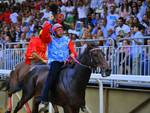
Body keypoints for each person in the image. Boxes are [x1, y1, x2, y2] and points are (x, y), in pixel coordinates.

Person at [41, 23, 77, 103]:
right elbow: (43, 36)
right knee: (52, 76)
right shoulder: (50, 39)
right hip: (55, 62)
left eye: (61, 30)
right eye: (58, 30)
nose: (61, 31)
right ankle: (44, 98)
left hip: (66, 62)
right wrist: (47, 25)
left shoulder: (67, 40)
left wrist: (72, 55)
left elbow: (73, 51)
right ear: (54, 32)